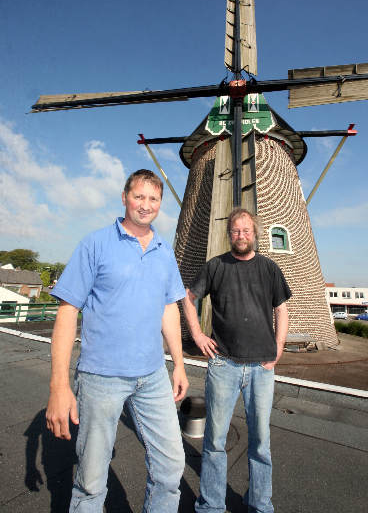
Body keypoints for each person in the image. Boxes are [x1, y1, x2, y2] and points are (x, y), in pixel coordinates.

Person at [46, 169, 188, 513]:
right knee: (92, 482)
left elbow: (169, 308)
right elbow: (67, 313)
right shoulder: (95, 243)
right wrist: (59, 386)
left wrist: (179, 364)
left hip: (152, 375)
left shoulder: (163, 251)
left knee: (171, 468)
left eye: (153, 199)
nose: (146, 205)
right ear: (125, 198)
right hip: (101, 377)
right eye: (139, 197)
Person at [183, 207, 291, 513]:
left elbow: (282, 309)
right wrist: (199, 336)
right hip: (224, 364)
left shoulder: (269, 268)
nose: (240, 236)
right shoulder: (216, 266)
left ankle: (260, 503)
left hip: (261, 367)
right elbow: (188, 298)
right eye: (235, 231)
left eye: (246, 230)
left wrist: (279, 347)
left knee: (261, 441)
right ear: (228, 233)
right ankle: (211, 505)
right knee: (215, 440)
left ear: (255, 233)